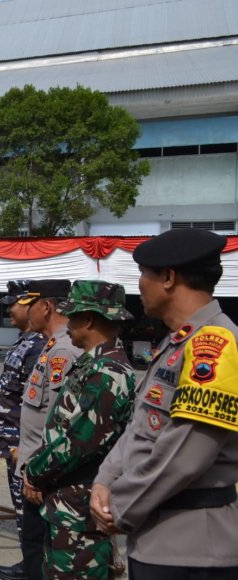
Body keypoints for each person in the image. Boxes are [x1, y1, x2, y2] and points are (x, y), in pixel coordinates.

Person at [90, 229, 238, 579]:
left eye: (144, 273)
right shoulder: (177, 342)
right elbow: (141, 425)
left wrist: (119, 507)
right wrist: (105, 479)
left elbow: (184, 454)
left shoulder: (213, 346)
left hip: (191, 549)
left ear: (169, 278)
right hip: (157, 539)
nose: (139, 284)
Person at [24, 280, 136, 578]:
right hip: (68, 504)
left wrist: (33, 473)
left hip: (81, 510)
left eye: (72, 316)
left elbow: (77, 443)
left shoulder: (109, 374)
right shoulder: (93, 364)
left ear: (88, 319)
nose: (67, 323)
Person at [13, 279, 82, 580]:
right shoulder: (52, 345)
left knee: (39, 552)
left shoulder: (63, 352)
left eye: (31, 305)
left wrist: (38, 474)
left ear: (47, 306)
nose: (26, 311)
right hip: (35, 469)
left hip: (43, 475)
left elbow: (59, 422)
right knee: (34, 549)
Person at [0, 280, 46, 580]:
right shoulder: (25, 340)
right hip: (14, 440)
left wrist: (23, 446)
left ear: (31, 305)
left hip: (23, 443)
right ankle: (31, 564)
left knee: (30, 512)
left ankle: (35, 568)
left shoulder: (39, 344)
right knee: (23, 510)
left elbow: (38, 402)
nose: (9, 309)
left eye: (13, 303)